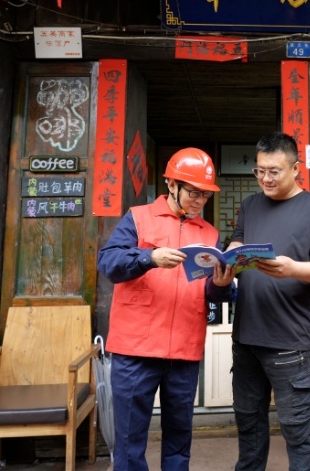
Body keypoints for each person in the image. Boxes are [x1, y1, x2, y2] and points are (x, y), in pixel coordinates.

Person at [97, 147, 236, 471]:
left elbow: (211, 294)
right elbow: (108, 263)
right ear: (171, 184)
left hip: (184, 349)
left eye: (205, 194)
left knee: (179, 440)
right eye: (193, 192)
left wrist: (221, 284)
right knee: (129, 441)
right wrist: (149, 257)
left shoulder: (209, 233)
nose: (199, 200)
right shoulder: (138, 217)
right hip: (136, 349)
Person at [227, 132, 310, 470]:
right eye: (260, 170)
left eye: (274, 171)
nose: (265, 178)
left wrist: (292, 268)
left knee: (298, 432)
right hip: (246, 338)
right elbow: (237, 242)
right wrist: (227, 259)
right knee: (248, 426)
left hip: (288, 343)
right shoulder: (251, 205)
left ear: (295, 169)